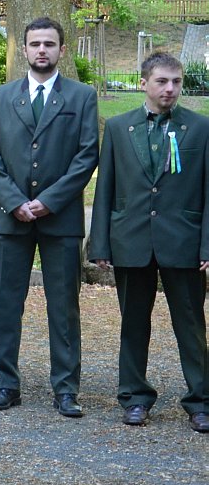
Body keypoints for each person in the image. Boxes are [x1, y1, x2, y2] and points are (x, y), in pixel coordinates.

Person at [0, 18, 99, 417]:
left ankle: (66, 389)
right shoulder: (2, 97)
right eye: (35, 44)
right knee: (6, 305)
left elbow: (87, 155)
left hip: (60, 220)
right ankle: (5, 384)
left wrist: (48, 201)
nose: (42, 50)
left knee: (63, 308)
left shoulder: (82, 96)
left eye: (49, 43)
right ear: (24, 49)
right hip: (10, 218)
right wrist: (14, 200)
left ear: (62, 49)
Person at [89, 52, 209, 433]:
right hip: (132, 240)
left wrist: (207, 245)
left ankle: (201, 401)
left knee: (191, 325)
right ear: (143, 83)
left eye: (176, 82)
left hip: (184, 242)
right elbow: (106, 187)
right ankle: (135, 398)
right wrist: (100, 243)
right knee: (133, 324)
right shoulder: (118, 127)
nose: (170, 89)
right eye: (162, 81)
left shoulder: (201, 128)